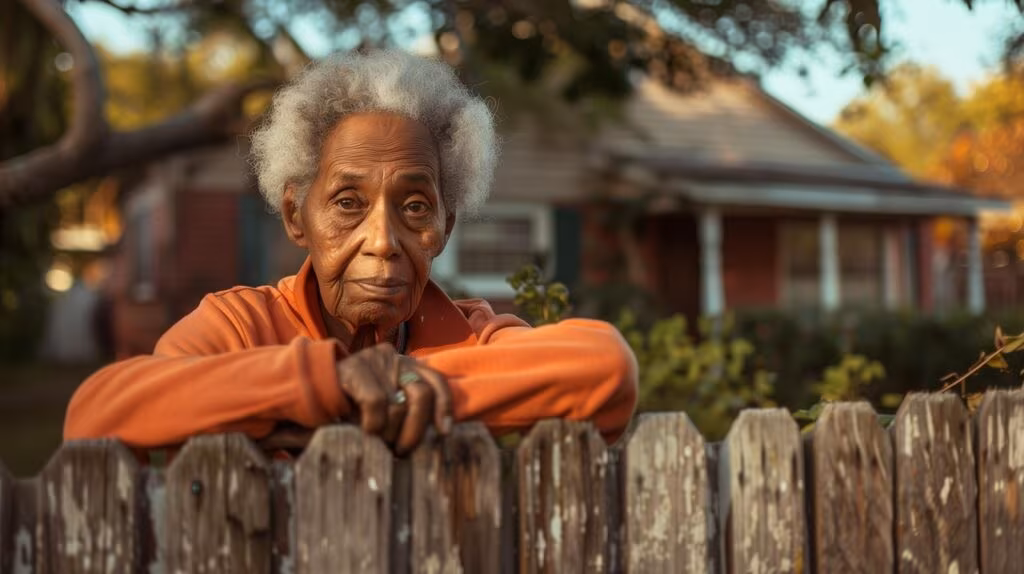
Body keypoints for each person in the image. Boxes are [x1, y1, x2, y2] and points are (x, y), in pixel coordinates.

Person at [64, 50, 638, 455]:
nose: (384, 241)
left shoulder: (471, 337)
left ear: (444, 225)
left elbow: (604, 367)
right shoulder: (240, 325)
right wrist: (328, 381)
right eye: (346, 202)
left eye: (415, 206)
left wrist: (405, 379)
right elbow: (96, 413)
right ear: (296, 216)